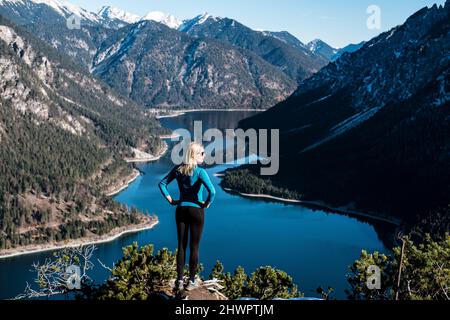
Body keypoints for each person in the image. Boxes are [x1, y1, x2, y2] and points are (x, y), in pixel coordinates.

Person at [158, 142, 216, 291]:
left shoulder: (178, 169)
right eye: (202, 153)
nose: (204, 156)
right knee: (194, 247)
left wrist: (171, 200)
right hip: (197, 211)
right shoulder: (200, 172)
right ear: (194, 155)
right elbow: (213, 192)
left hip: (181, 209)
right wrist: (207, 203)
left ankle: (179, 280)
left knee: (181, 246)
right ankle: (191, 281)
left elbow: (162, 184)